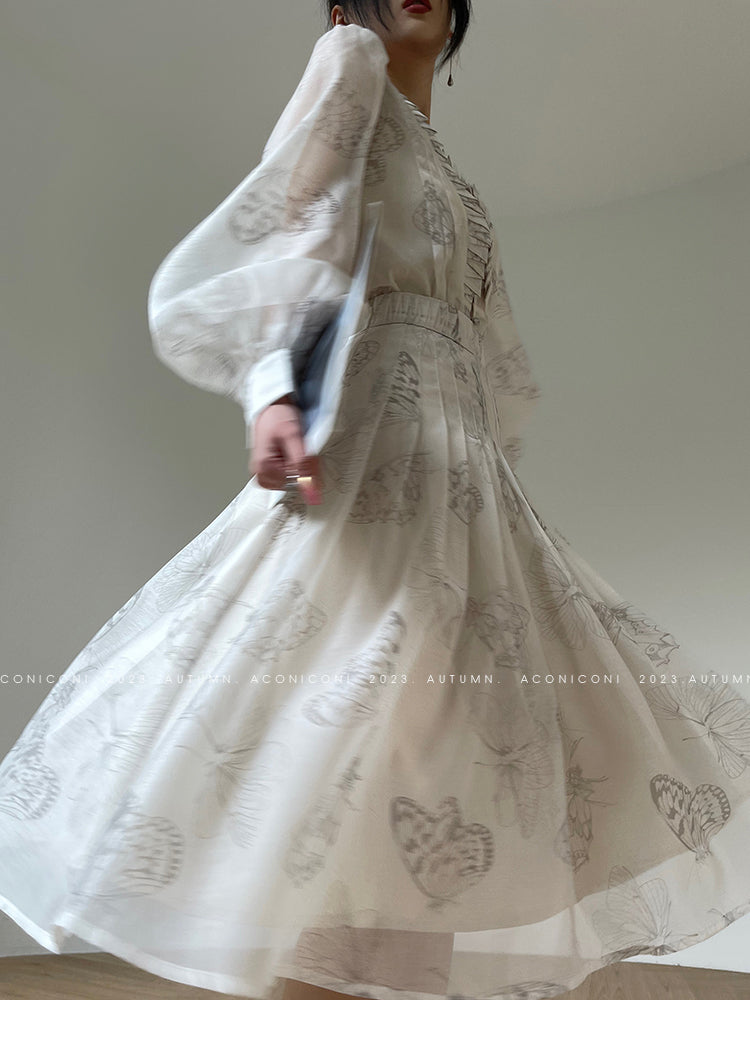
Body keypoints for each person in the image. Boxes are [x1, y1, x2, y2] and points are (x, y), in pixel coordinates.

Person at [1, 0, 750, 1002]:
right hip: (378, 436)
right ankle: (323, 986)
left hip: (460, 465)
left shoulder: (446, 166)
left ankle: (379, 999)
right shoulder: (347, 61)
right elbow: (288, 222)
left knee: (438, 727)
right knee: (368, 688)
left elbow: (491, 354)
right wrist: (271, 390)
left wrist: (485, 469)